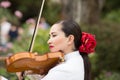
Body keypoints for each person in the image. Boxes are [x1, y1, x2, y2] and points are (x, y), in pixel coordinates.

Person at [17, 20, 96, 80]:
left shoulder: (65, 69)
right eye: (49, 37)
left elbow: (56, 74)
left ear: (70, 39)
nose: (49, 41)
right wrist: (32, 71)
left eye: (54, 35)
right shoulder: (76, 60)